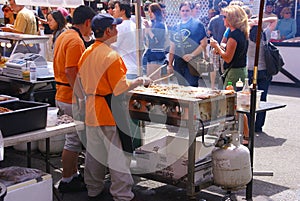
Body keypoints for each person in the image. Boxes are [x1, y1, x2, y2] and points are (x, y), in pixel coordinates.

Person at [77, 13, 152, 201]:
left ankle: (93, 188)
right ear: (108, 30)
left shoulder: (86, 52)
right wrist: (140, 81)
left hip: (91, 109)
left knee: (94, 155)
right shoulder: (111, 56)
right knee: (117, 156)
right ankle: (122, 194)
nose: (117, 30)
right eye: (115, 27)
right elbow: (120, 88)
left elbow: (79, 83)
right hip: (108, 111)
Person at [53, 5, 96, 193]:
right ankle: (68, 179)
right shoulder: (76, 41)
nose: (92, 30)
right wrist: (81, 96)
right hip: (70, 97)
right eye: (91, 26)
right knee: (73, 141)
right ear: (87, 22)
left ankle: (71, 175)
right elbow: (71, 71)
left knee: (72, 140)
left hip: (61, 94)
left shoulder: (63, 35)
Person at [247, 15, 278, 133]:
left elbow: (244, 24)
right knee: (263, 98)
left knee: (249, 98)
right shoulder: (265, 35)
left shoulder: (247, 38)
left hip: (250, 70)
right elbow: (274, 20)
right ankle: (258, 125)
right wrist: (261, 21)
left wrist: (252, 22)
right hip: (264, 70)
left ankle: (249, 124)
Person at [168, 1, 207, 87]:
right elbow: (172, 47)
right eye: (183, 10)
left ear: (191, 11)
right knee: (181, 88)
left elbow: (204, 44)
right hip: (179, 63)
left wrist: (192, 55)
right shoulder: (175, 27)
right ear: (179, 12)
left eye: (187, 10)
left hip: (193, 63)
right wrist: (170, 64)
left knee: (192, 87)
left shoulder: (198, 25)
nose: (185, 13)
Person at [210, 5, 249, 89]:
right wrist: (222, 48)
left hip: (234, 71)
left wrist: (216, 46)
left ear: (232, 18)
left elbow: (228, 58)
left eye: (225, 16)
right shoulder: (241, 32)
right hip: (241, 69)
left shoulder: (233, 35)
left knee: (229, 97)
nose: (223, 19)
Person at [143, 3, 167, 82]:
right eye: (148, 12)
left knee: (154, 79)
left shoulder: (160, 25)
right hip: (151, 53)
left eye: (151, 12)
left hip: (156, 53)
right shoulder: (153, 24)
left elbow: (156, 40)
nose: (149, 14)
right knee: (151, 77)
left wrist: (148, 29)